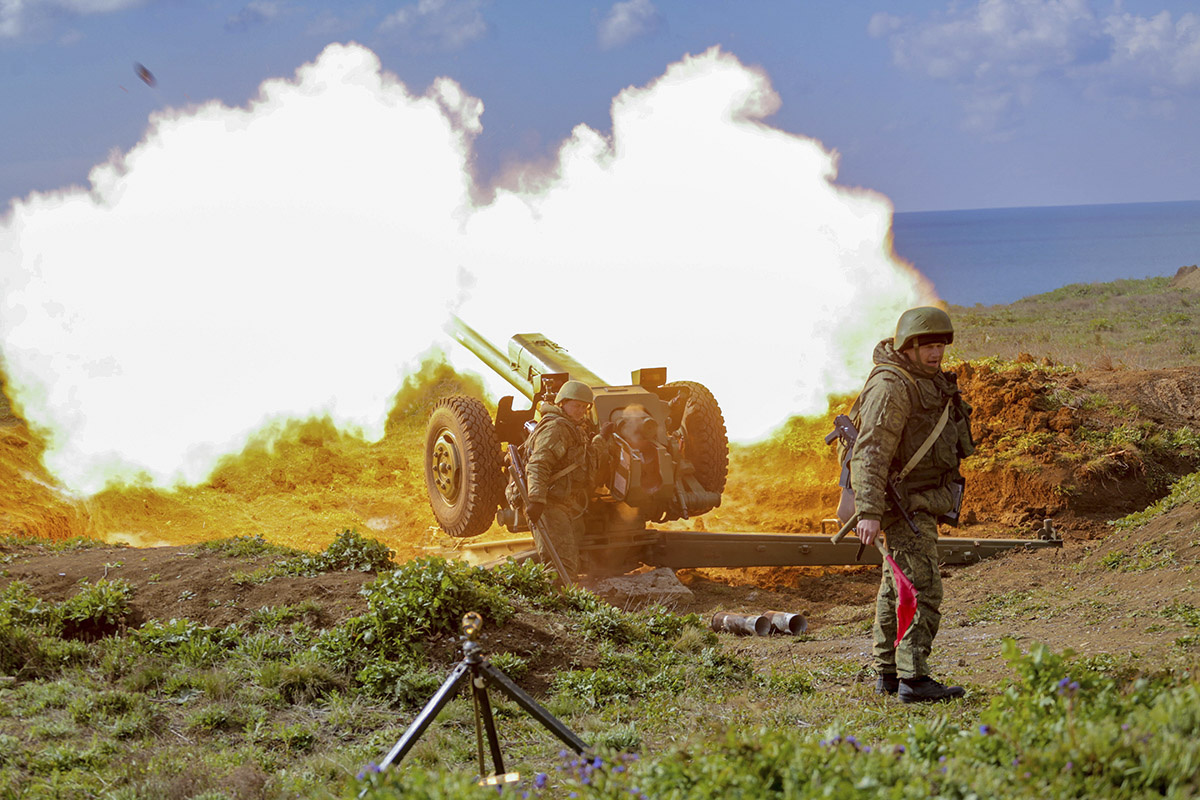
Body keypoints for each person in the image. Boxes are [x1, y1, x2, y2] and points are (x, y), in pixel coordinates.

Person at [850, 306, 975, 703]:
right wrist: (868, 511)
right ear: (909, 347)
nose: (937, 353)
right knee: (923, 588)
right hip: (902, 503)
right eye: (929, 347)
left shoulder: (928, 380)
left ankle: (888, 673)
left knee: (896, 588)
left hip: (919, 498)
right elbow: (870, 451)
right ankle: (914, 678)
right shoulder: (892, 386)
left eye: (941, 345)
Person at [525, 380, 595, 579]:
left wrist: (600, 440)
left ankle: (561, 602)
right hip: (549, 504)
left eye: (584, 407)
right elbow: (538, 464)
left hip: (562, 503)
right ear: (562, 403)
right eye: (576, 406)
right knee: (560, 565)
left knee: (566, 561)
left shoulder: (573, 428)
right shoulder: (556, 428)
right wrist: (537, 500)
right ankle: (554, 604)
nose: (581, 411)